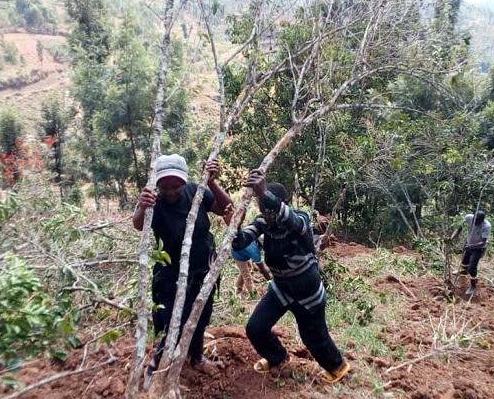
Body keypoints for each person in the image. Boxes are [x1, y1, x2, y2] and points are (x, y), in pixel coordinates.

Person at [231, 169, 350, 384]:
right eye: (263, 210)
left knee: (314, 338)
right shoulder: (264, 222)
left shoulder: (301, 219)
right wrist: (234, 225)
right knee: (255, 328)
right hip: (281, 289)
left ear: (283, 202)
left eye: (270, 209)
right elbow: (240, 241)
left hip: (307, 293)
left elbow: (292, 220)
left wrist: (264, 193)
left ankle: (338, 368)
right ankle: (279, 358)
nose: (268, 215)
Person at [133, 154, 233, 373]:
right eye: (164, 187)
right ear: (157, 184)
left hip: (202, 272)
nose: (170, 191)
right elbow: (138, 225)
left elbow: (225, 208)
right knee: (174, 324)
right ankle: (157, 368)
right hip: (171, 276)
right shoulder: (154, 202)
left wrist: (212, 182)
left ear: (184, 181)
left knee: (199, 317)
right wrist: (142, 207)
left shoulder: (195, 192)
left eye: (175, 186)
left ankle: (196, 358)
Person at [223, 204, 272, 294]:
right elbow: (262, 269)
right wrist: (270, 280)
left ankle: (237, 288)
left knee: (244, 271)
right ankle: (253, 294)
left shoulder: (253, 242)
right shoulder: (254, 250)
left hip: (243, 253)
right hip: (238, 255)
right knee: (246, 275)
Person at [447, 210, 491, 296]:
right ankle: (463, 272)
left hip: (479, 248)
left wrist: (471, 246)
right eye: (474, 219)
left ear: (482, 220)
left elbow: (482, 242)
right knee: (464, 260)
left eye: (477, 221)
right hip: (469, 243)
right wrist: (451, 238)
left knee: (472, 268)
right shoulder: (468, 217)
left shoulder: (486, 226)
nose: (475, 222)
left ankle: (473, 286)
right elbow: (459, 228)